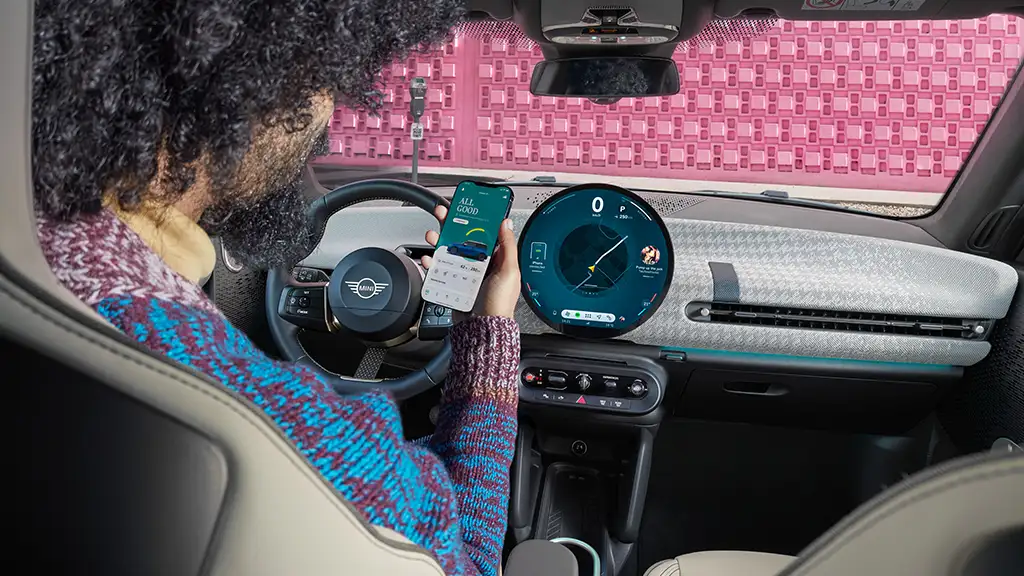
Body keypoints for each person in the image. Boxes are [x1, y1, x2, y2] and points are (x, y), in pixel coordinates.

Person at [30, 2, 522, 575]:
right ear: (248, 85)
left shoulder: (36, 253)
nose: (328, 114)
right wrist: (487, 334)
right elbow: (466, 562)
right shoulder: (289, 423)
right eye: (325, 76)